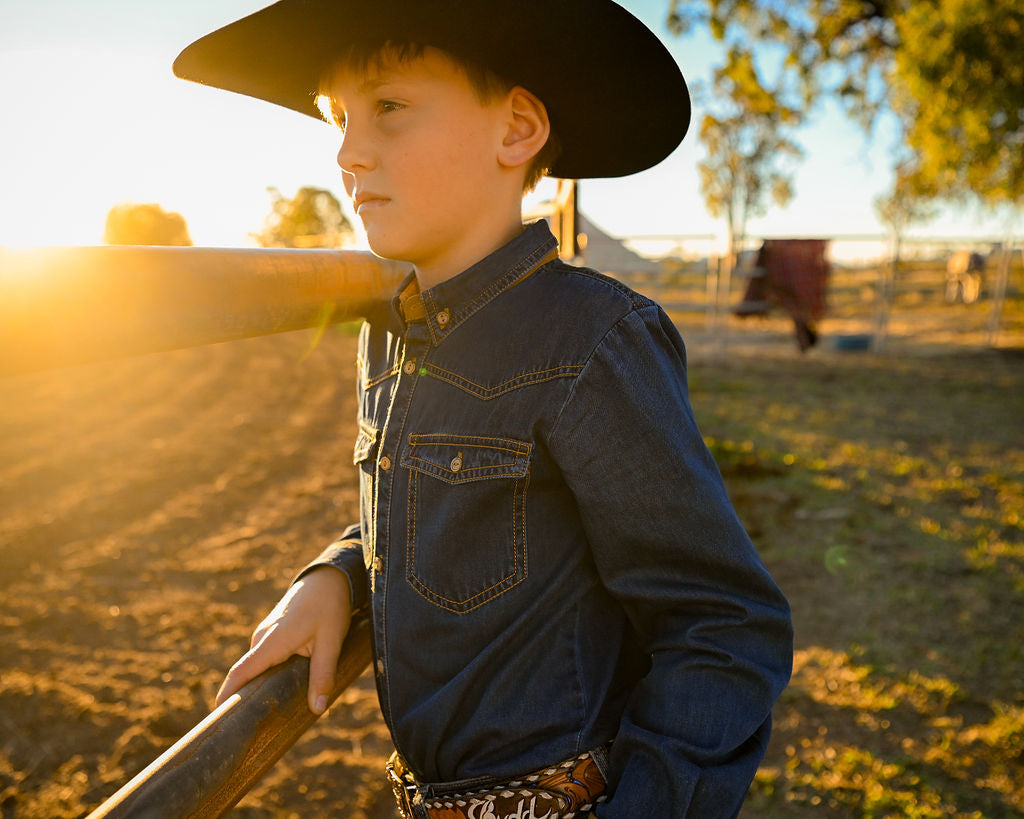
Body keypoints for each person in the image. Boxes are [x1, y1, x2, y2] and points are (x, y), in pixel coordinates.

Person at [174, 1, 793, 815]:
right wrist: (340, 573)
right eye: (340, 118)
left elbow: (722, 620)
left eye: (388, 108)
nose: (349, 151)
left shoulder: (593, 339)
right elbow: (434, 507)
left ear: (516, 131)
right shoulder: (388, 333)